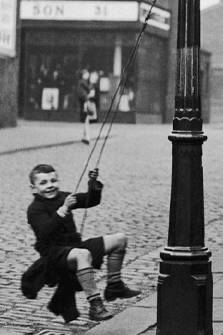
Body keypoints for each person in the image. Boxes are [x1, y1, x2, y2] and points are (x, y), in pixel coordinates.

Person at [25, 163, 139, 322]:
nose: (50, 186)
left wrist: (93, 185)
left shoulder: (63, 196)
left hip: (74, 248)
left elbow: (90, 200)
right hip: (53, 256)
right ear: (33, 188)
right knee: (83, 254)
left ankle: (114, 286)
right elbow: (46, 232)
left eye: (53, 181)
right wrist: (63, 209)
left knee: (120, 239)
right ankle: (95, 305)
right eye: (43, 183)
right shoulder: (35, 209)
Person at [77, 69, 92, 144]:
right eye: (87, 74)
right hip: (85, 101)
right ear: (83, 75)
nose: (88, 75)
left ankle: (84, 136)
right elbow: (88, 90)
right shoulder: (83, 82)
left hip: (84, 101)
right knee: (86, 119)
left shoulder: (82, 82)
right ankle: (87, 137)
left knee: (86, 119)